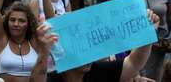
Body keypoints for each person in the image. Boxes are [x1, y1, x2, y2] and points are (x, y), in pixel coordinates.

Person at [29, 10, 160, 82]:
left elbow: (133, 63)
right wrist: (44, 51)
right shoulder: (52, 79)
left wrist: (147, 33)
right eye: (81, 50)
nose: (88, 57)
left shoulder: (98, 71)